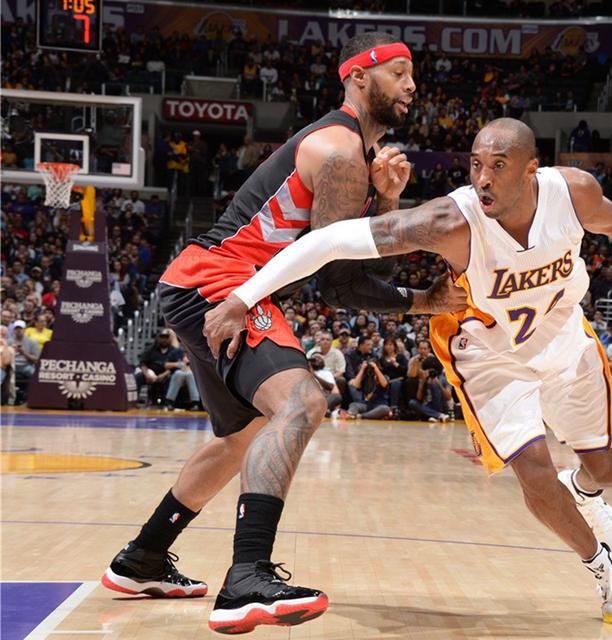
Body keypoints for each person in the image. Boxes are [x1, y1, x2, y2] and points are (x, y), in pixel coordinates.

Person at [203, 118, 612, 627]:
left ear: (531, 169)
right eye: (476, 165)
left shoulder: (572, 192)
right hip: (488, 354)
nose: (483, 178)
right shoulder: (451, 221)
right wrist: (243, 296)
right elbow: (330, 241)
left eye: (499, 166)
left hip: (564, 339)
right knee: (534, 469)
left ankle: (585, 491)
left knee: (609, 471)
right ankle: (605, 569)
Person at [101, 33, 464, 635]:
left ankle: (141, 558)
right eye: (399, 72)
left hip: (206, 284)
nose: (412, 84)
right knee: (301, 402)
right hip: (221, 285)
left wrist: (386, 202)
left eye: (412, 74)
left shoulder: (357, 157)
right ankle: (246, 578)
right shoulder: (340, 151)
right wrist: (421, 300)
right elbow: (339, 286)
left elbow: (345, 266)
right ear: (358, 76)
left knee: (243, 437)